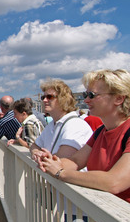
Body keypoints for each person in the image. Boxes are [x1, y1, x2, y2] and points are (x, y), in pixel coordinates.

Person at [39, 69, 130, 203]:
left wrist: (61, 173)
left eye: (92, 95)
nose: (86, 100)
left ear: (118, 98)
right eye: (85, 94)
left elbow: (115, 182)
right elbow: (76, 161)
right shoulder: (101, 131)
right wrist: (50, 162)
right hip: (101, 217)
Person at [30, 79, 93, 165]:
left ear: (63, 99)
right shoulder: (53, 124)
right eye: (43, 97)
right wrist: (36, 152)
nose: (44, 100)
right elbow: (34, 145)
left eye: (49, 97)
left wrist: (42, 157)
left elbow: (61, 160)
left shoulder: (75, 125)